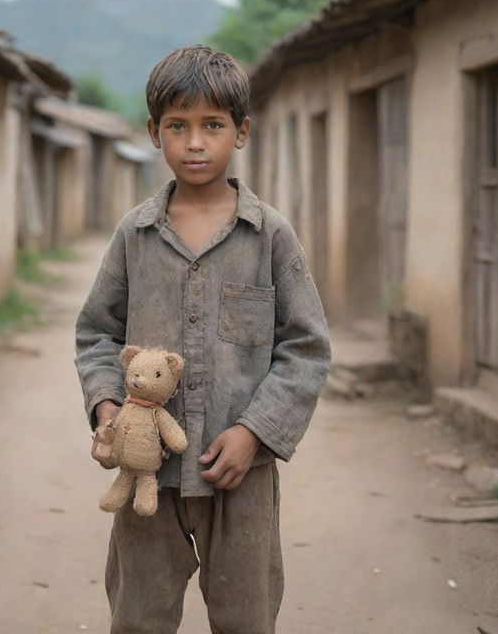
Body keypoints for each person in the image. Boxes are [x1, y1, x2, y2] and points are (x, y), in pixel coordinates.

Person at [74, 45, 331, 634]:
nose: (194, 143)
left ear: (240, 132)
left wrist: (254, 432)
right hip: (147, 476)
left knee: (245, 616)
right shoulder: (135, 235)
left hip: (239, 473)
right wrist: (108, 406)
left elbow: (307, 347)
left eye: (212, 125)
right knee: (139, 615)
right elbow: (97, 331)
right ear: (153, 132)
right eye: (177, 127)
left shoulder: (270, 237)